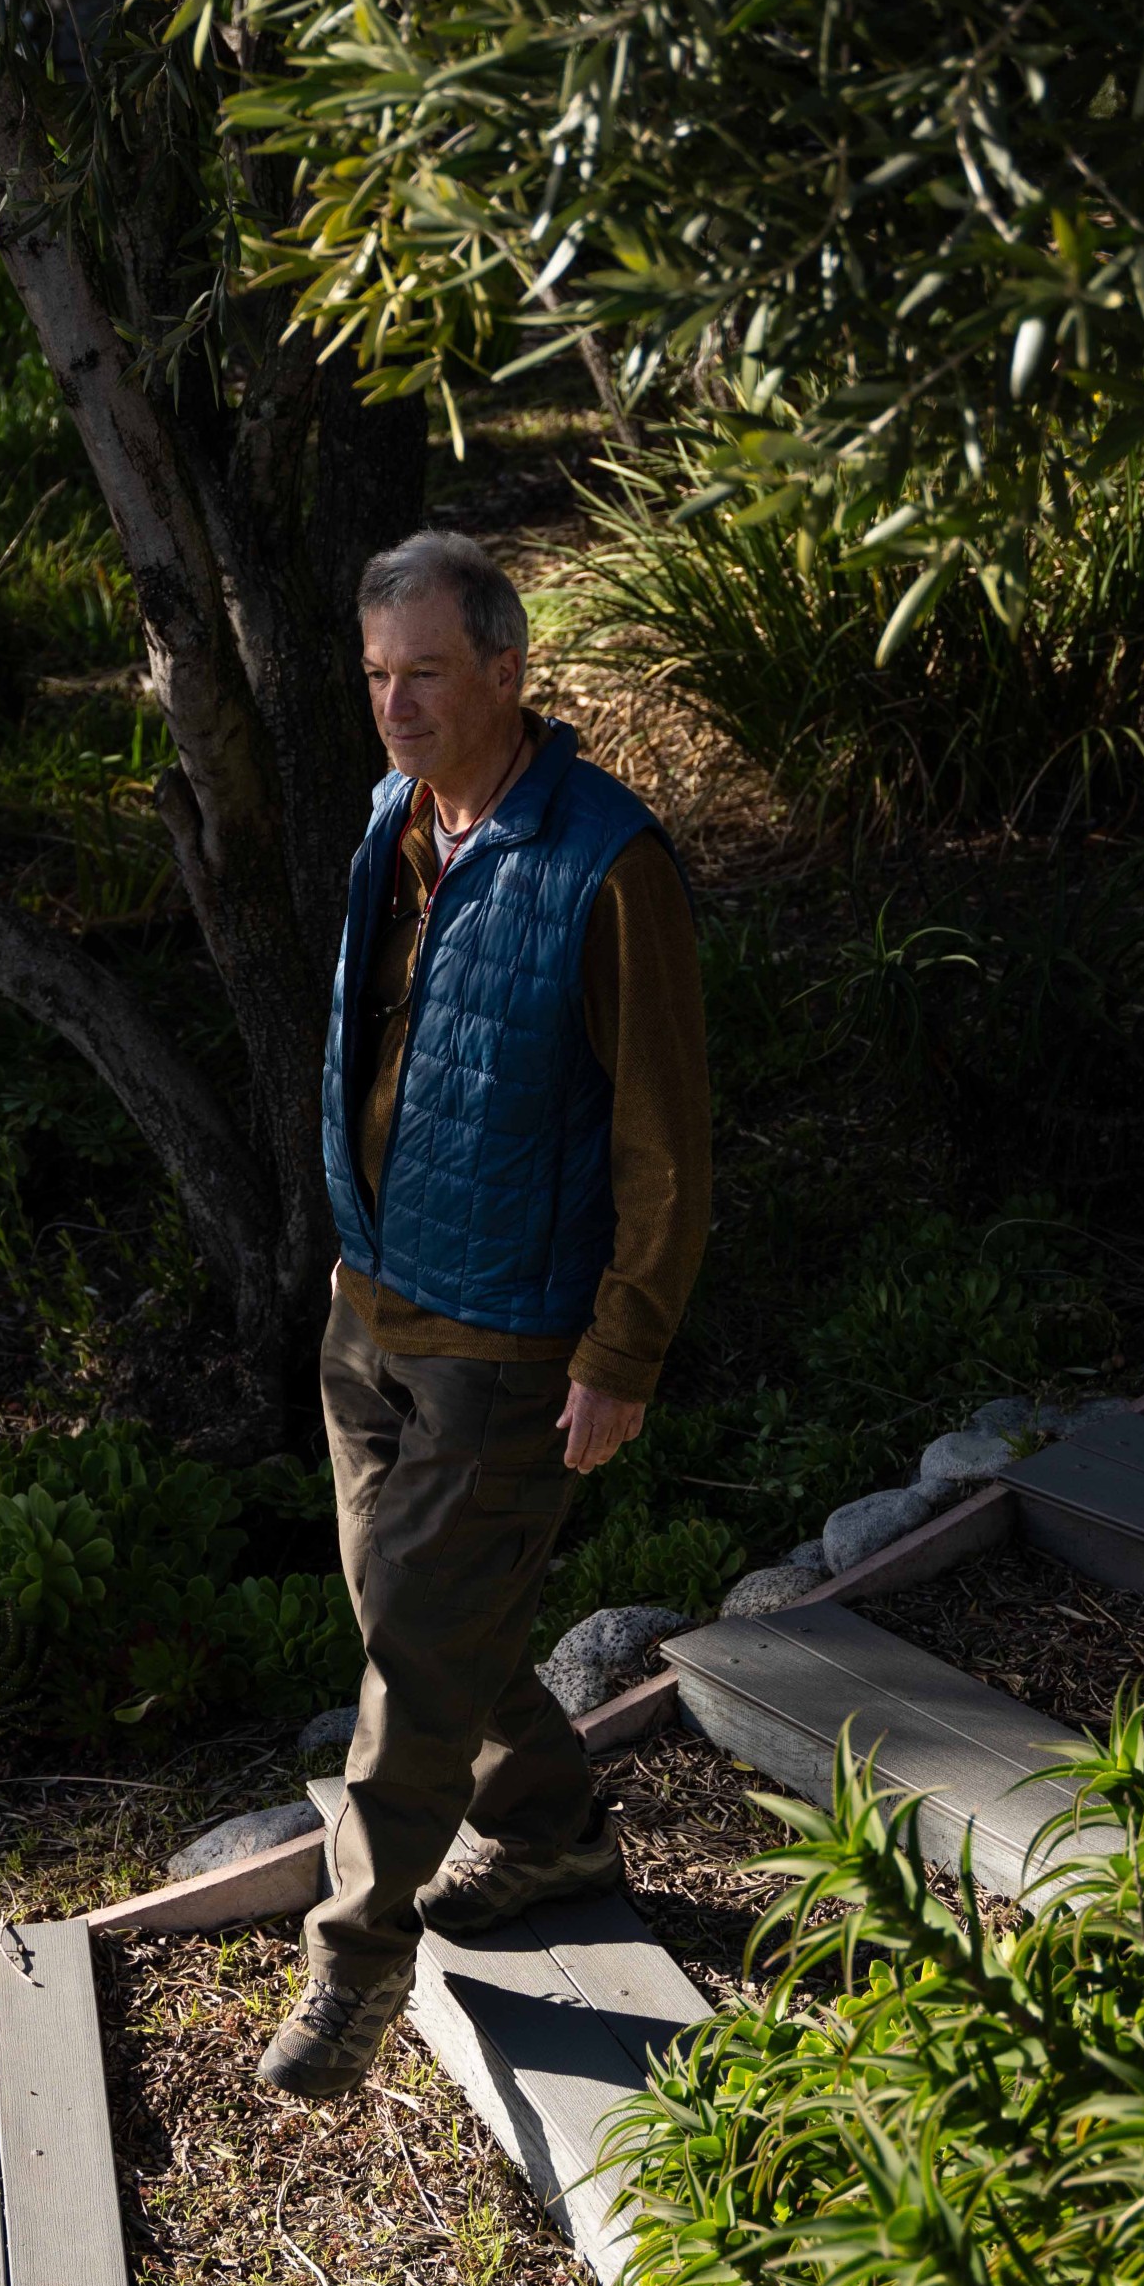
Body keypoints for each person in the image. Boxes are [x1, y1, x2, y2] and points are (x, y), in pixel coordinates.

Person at [259, 529, 711, 2101]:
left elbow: (665, 1145)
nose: (393, 707)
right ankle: (544, 1830)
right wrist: (349, 1267)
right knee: (418, 1623)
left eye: (426, 675)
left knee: (409, 1673)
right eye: (377, 677)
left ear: (509, 674)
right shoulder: (397, 815)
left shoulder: (606, 862)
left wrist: (622, 1352)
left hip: (512, 1343)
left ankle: (355, 1970)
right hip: (371, 1310)